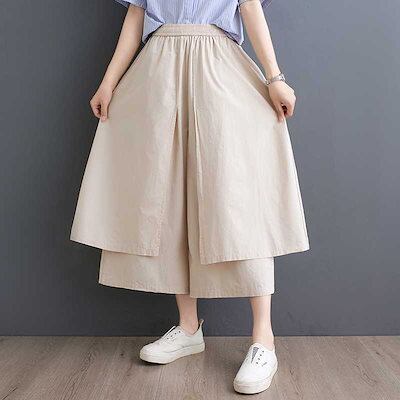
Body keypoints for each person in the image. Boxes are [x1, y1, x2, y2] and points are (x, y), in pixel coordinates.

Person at [70, 0, 309, 394]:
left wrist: (274, 77)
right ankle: (187, 327)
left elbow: (249, 5)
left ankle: (263, 339)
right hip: (157, 69)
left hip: (218, 64)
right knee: (169, 198)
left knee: (238, 198)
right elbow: (136, 16)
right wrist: (109, 82)